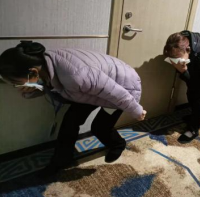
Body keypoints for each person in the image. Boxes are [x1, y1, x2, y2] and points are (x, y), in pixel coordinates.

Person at [0, 41, 145, 175]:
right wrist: (32, 90)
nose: (16, 86)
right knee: (70, 122)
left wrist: (136, 110)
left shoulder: (76, 75)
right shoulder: (45, 65)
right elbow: (52, 86)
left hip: (124, 87)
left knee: (99, 127)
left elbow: (115, 92)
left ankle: (118, 144)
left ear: (33, 72)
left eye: (16, 82)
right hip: (91, 89)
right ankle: (62, 160)